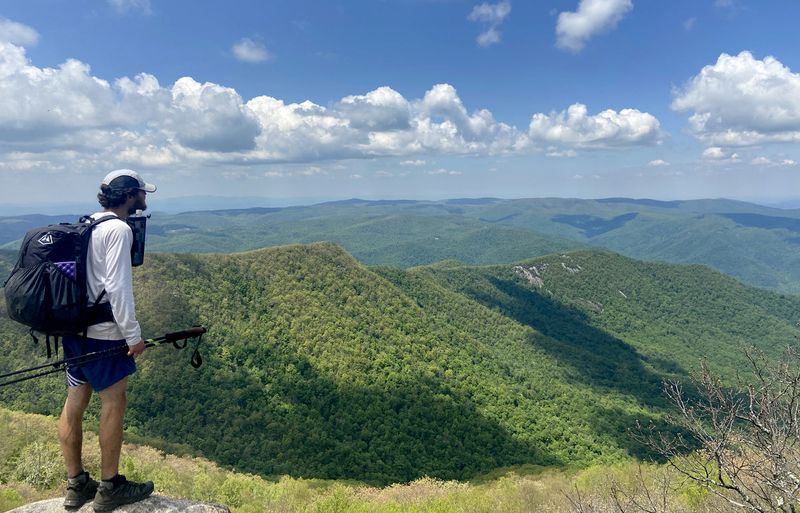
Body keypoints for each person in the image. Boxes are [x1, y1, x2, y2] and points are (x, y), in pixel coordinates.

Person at [58, 169, 157, 512]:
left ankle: (75, 485)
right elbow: (117, 287)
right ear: (129, 196)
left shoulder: (88, 223)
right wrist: (133, 335)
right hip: (105, 336)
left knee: (75, 401)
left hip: (75, 332)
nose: (145, 198)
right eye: (142, 193)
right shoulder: (119, 229)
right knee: (114, 402)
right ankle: (110, 486)